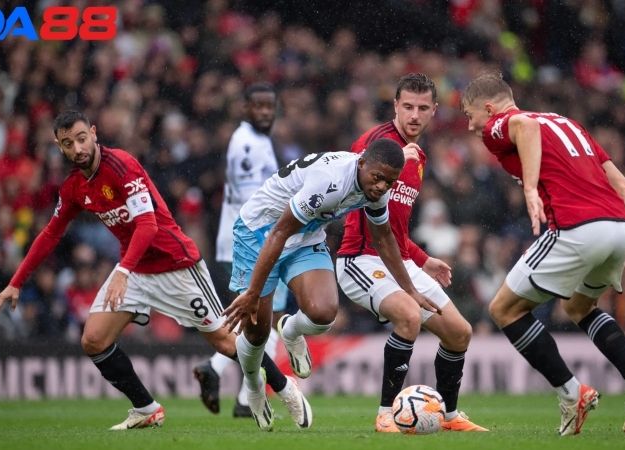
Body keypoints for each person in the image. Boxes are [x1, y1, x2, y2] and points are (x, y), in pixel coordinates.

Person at [0, 110, 312, 431]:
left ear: (94, 133)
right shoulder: (73, 187)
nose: (78, 149)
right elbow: (51, 233)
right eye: (68, 143)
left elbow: (147, 226)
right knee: (94, 340)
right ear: (59, 146)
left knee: (227, 344)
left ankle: (286, 389)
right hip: (135, 270)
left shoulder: (122, 165)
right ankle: (146, 408)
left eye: (82, 139)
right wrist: (16, 282)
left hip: (177, 266)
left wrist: (122, 272)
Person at [461, 73, 625, 436]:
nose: (470, 125)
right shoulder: (567, 123)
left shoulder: (501, 124)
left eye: (469, 114)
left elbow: (523, 126)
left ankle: (573, 393)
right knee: (578, 306)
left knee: (503, 309)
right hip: (617, 228)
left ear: (489, 108)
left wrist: (529, 189)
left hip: (576, 229)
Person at [221, 138, 440, 431]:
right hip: (260, 232)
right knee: (257, 332)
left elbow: (385, 237)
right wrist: (251, 293)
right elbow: (278, 233)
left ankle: (291, 329)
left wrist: (410, 289)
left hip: (305, 236)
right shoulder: (330, 182)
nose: (381, 187)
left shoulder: (377, 184)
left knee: (324, 313)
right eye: (377, 178)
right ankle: (253, 386)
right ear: (362, 162)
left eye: (389, 182)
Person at [335, 73, 487, 432]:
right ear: (395, 106)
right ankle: (385, 413)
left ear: (434, 111)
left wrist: (423, 259)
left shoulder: (419, 158)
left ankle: (448, 416)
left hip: (398, 259)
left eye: (422, 108)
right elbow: (350, 191)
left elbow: (395, 229)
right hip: (360, 259)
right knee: (409, 316)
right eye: (407, 107)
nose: (414, 115)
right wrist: (390, 163)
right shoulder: (375, 144)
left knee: (459, 332)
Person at [193, 82, 289, 418]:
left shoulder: (256, 140)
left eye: (269, 106)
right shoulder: (247, 143)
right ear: (244, 108)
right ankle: (244, 396)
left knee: (254, 319)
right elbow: (255, 204)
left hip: (249, 240)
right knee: (268, 319)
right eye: (258, 106)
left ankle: (225, 378)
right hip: (253, 242)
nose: (265, 112)